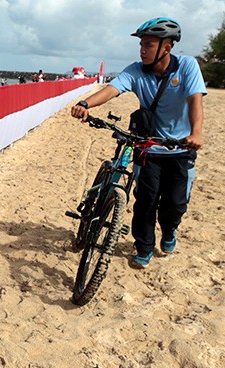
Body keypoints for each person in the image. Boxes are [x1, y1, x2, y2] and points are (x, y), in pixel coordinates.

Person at [71, 17, 205, 269]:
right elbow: (112, 89)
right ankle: (143, 247)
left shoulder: (186, 66)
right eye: (141, 44)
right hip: (147, 146)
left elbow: (195, 99)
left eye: (149, 44)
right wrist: (86, 104)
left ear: (167, 47)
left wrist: (196, 133)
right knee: (145, 200)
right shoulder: (136, 70)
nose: (142, 50)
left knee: (175, 204)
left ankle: (169, 230)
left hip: (180, 147)